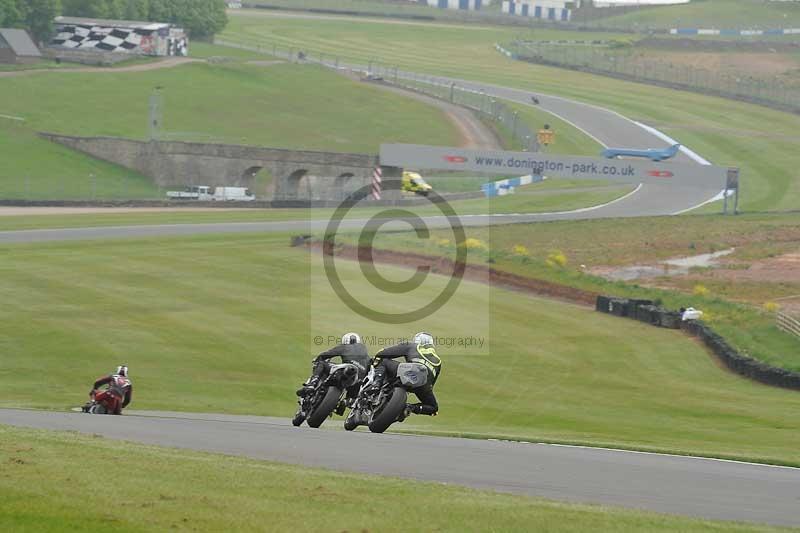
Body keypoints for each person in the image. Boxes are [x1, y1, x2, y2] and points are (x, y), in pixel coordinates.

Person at [369, 332, 441, 415]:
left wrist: (375, 358)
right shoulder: (438, 360)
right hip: (424, 383)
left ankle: (375, 385)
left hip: (408, 372)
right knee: (433, 408)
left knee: (383, 361)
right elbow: (432, 383)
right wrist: (423, 390)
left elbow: (384, 353)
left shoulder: (412, 345)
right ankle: (410, 408)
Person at [297, 333, 370, 405]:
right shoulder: (366, 355)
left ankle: (312, 384)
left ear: (345, 341)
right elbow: (369, 370)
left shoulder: (345, 347)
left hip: (347, 370)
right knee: (356, 388)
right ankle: (348, 401)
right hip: (358, 378)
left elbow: (327, 354)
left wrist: (318, 358)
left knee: (322, 363)